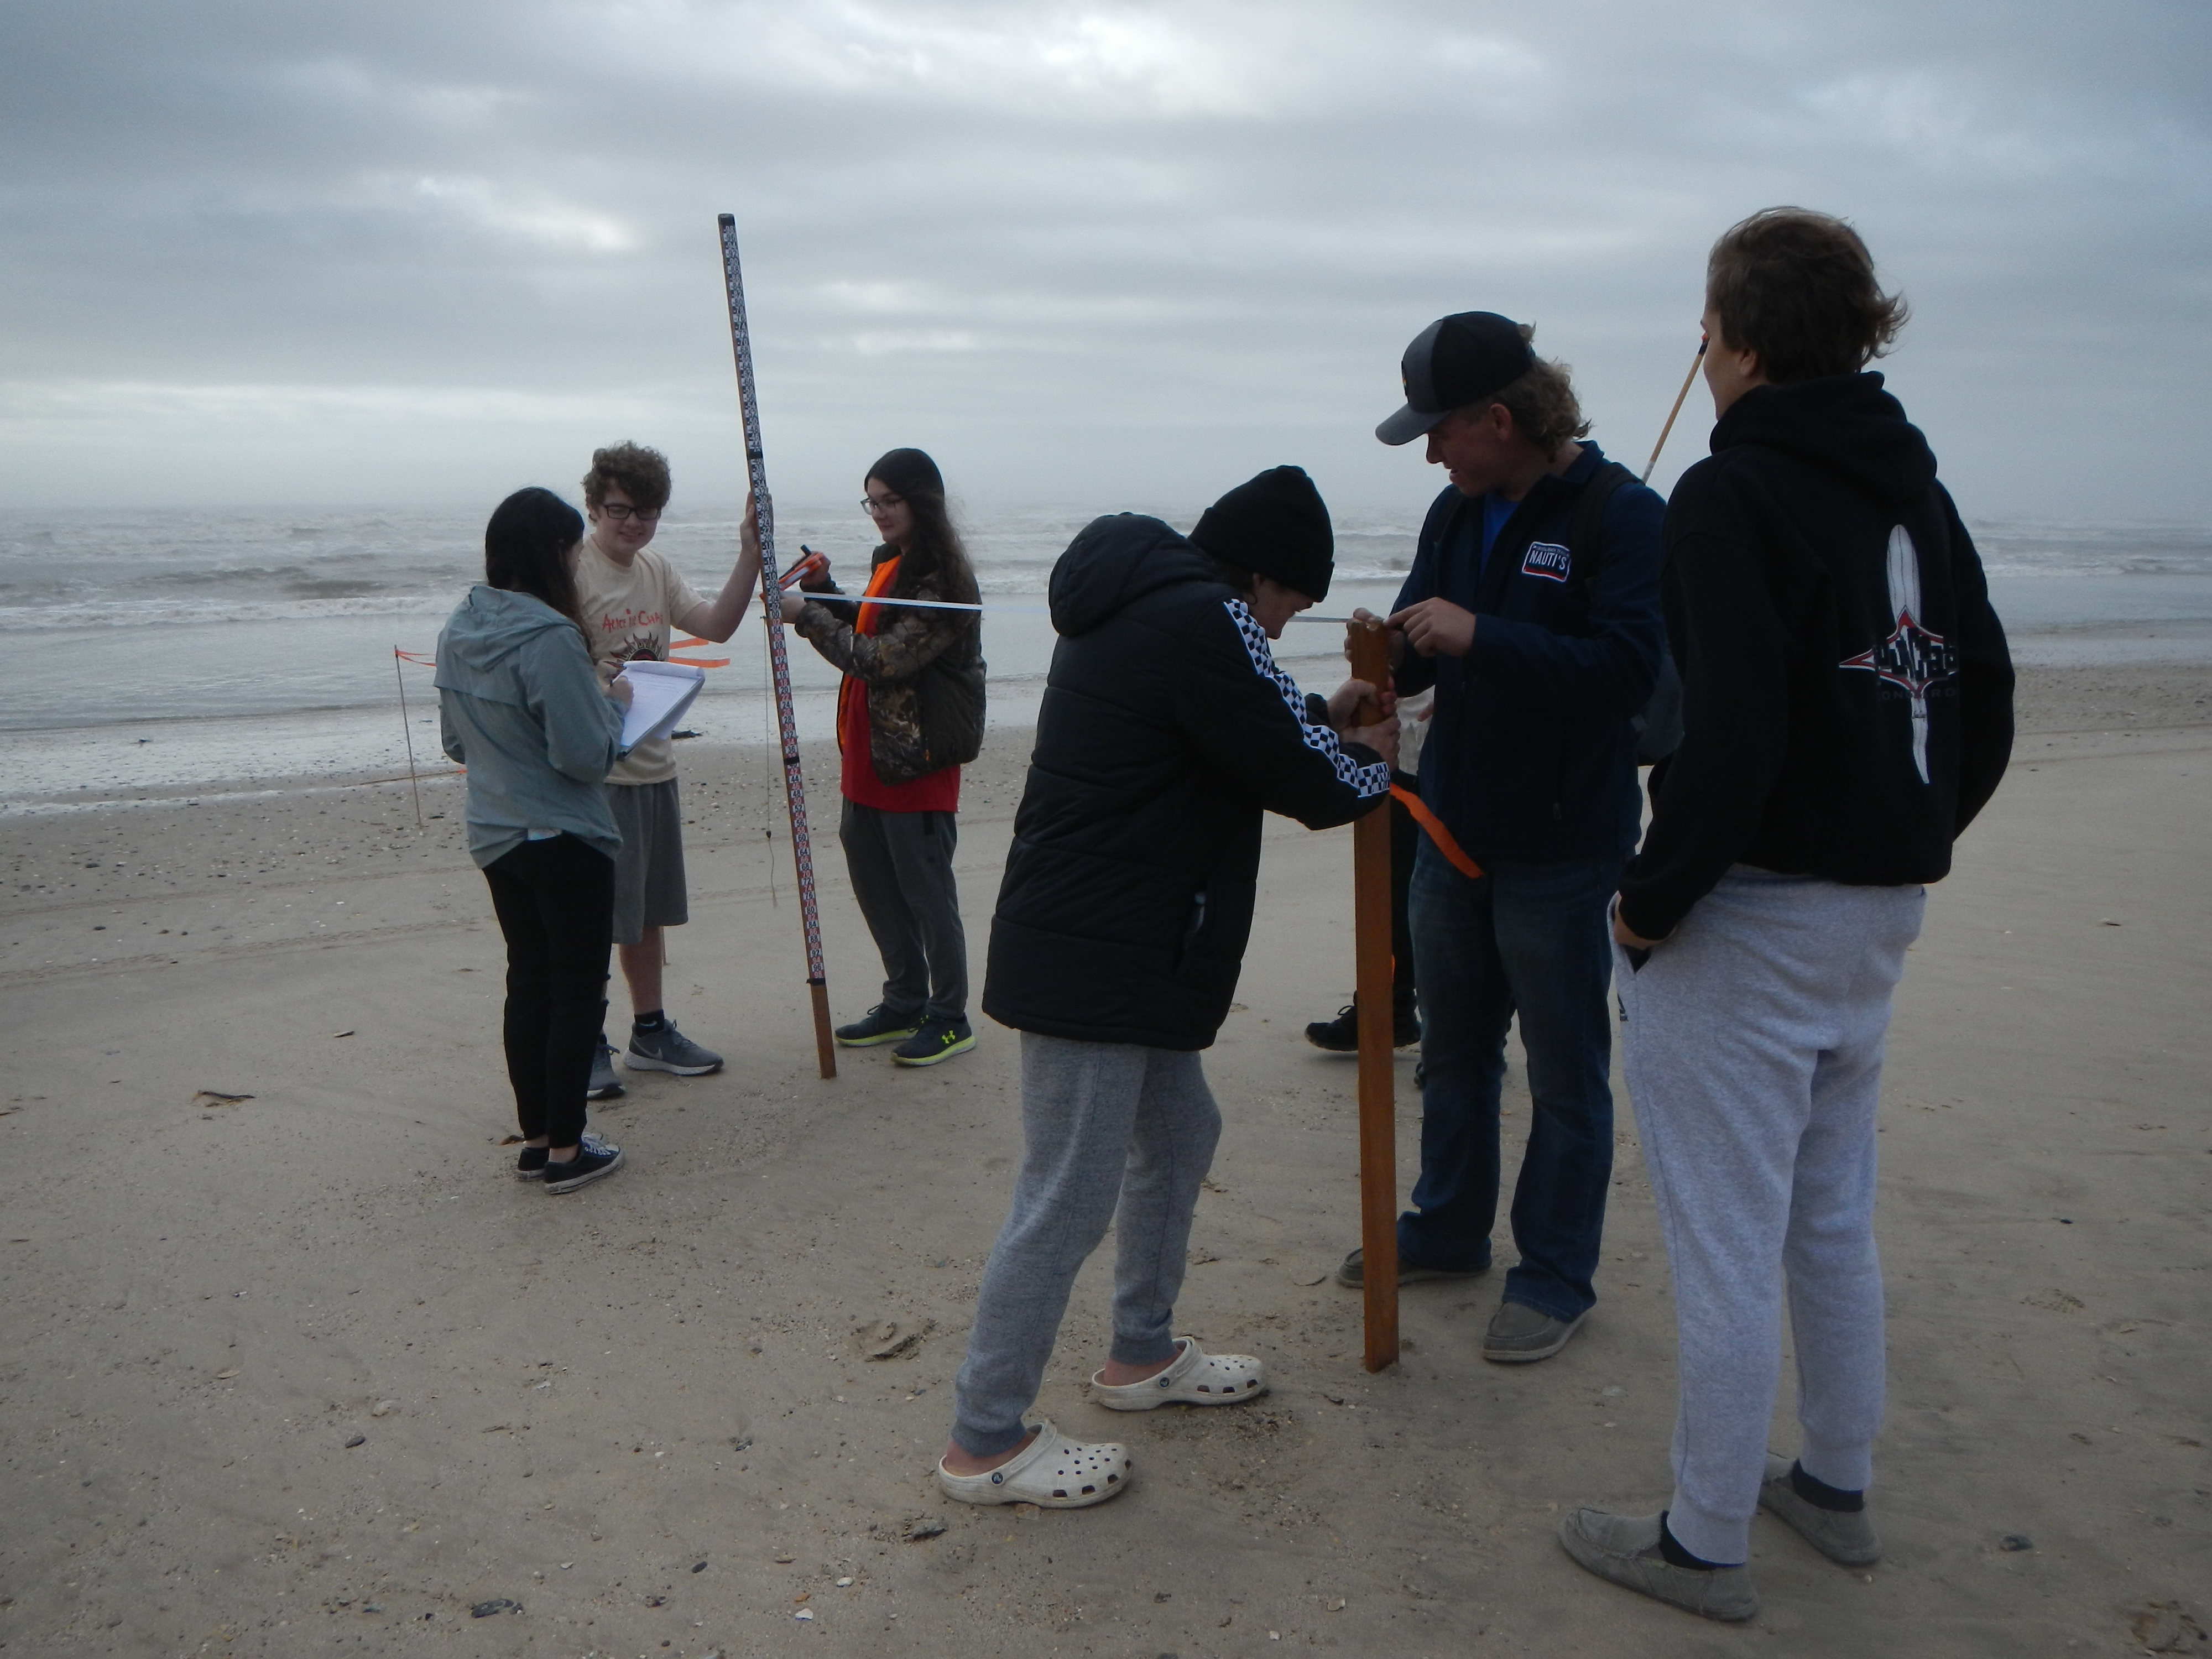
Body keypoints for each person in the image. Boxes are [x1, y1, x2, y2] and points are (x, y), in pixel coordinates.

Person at [1558, 208, 2013, 1620]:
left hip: (1753, 918)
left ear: (1741, 339)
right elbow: (1977, 700)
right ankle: (1832, 1478)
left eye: (1706, 327)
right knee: (1824, 1214)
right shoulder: (1912, 491)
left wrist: (1646, 902)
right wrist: (1907, 829)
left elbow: (1733, 736)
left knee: (1726, 1234)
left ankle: (1702, 1538)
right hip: (1871, 916)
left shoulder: (1732, 492)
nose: (1697, 352)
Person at [938, 466, 1398, 1510]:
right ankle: (984, 1440)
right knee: (1065, 1198)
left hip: (1116, 943)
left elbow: (1237, 732)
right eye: (1293, 603)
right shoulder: (1207, 617)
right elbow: (1299, 775)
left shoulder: (1153, 606)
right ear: (1266, 575)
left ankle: (1141, 1353)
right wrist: (1371, 763)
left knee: (1182, 1134)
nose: (1286, 626)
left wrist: (1323, 716)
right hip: (1099, 955)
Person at [1335, 312, 1666, 1367]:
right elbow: (1417, 646)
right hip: (1450, 828)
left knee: (1566, 1074)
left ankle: (1555, 1274)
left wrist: (1488, 635)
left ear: (1501, 417)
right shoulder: (1454, 510)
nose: (1430, 451)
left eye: (1441, 430)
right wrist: (1375, 675)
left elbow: (1628, 672)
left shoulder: (1624, 516)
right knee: (1455, 1052)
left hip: (1566, 849)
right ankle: (1446, 1228)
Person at [436, 488, 634, 1193]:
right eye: (573, 549)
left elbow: (455, 739)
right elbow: (584, 755)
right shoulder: (549, 635)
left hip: (495, 832)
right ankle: (563, 1151)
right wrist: (612, 706)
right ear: (554, 553)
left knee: (530, 982)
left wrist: (582, 692)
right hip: (562, 833)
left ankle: (540, 1138)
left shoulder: (461, 627)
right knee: (575, 989)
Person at [774, 448, 986, 1067]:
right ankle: (904, 998)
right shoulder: (891, 562)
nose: (879, 514)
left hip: (917, 758)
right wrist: (824, 592)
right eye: (871, 501)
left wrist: (806, 616)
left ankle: (949, 1016)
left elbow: (883, 660)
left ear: (921, 501)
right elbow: (869, 630)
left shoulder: (943, 577)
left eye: (889, 501)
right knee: (873, 879)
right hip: (869, 753)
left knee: (926, 891)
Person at [571, 442, 761, 1096]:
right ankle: (586, 1039)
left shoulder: (655, 568)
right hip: (600, 774)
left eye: (647, 512)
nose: (634, 525)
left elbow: (717, 625)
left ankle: (649, 1031)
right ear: (593, 506)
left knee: (648, 912)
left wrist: (750, 555)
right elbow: (554, 672)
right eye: (621, 510)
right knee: (597, 914)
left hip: (655, 763)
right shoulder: (573, 571)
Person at [1303, 687, 1430, 1051]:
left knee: (1466, 896)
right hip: (1400, 749)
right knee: (1393, 890)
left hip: (1457, 755)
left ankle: (1481, 1038)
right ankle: (1391, 1004)